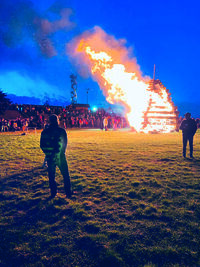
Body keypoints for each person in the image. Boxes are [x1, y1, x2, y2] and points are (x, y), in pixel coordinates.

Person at [40, 114, 72, 198]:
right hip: (60, 156)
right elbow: (64, 143)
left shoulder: (45, 132)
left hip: (50, 157)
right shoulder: (61, 131)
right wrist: (61, 152)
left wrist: (48, 153)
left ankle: (53, 193)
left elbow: (42, 145)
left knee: (51, 175)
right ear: (57, 121)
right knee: (65, 175)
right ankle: (68, 192)